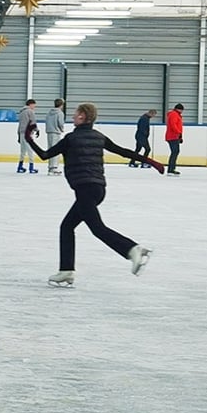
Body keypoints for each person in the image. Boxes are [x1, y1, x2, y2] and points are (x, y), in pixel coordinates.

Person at [24, 103, 163, 287]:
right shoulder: (99, 137)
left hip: (84, 189)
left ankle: (132, 249)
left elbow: (44, 155)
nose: (73, 116)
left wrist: (29, 138)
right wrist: (151, 161)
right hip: (98, 190)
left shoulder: (71, 139)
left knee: (97, 228)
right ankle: (66, 271)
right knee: (67, 226)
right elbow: (123, 152)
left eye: (76, 114)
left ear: (82, 116)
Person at [17, 99, 39, 174]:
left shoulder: (21, 112)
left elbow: (20, 124)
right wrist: (36, 130)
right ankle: (31, 167)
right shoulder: (30, 111)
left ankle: (20, 166)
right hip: (28, 133)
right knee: (30, 150)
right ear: (30, 104)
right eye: (34, 105)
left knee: (22, 151)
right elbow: (33, 122)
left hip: (21, 132)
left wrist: (18, 135)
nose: (34, 107)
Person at [45, 98, 66, 176]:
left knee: (51, 150)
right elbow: (60, 123)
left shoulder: (49, 112)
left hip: (49, 132)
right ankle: (54, 168)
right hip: (56, 133)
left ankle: (50, 167)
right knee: (56, 150)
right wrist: (61, 128)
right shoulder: (60, 113)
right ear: (61, 105)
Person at [165, 103, 184, 176]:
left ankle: (172, 169)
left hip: (174, 136)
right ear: (178, 109)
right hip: (173, 136)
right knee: (175, 152)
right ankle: (170, 170)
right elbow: (173, 125)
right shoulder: (174, 114)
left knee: (175, 152)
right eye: (181, 110)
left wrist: (180, 136)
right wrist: (179, 133)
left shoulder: (176, 114)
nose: (182, 111)